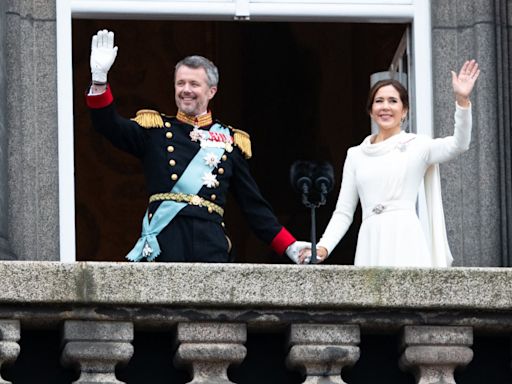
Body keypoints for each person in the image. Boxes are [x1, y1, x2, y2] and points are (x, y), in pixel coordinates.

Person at [86, 29, 309, 263]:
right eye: (180, 83)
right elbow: (107, 125)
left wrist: (290, 246)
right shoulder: (155, 131)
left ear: (211, 91)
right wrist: (99, 79)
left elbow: (254, 206)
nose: (186, 90)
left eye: (194, 84)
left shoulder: (230, 142)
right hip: (165, 244)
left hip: (210, 246)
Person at [299, 60, 480, 267]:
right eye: (379, 101)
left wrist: (462, 101)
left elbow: (459, 144)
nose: (385, 106)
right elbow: (344, 212)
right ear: (370, 110)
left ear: (404, 111)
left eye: (393, 101)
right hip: (370, 240)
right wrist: (323, 247)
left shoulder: (417, 145)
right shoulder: (356, 154)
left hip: (405, 236)